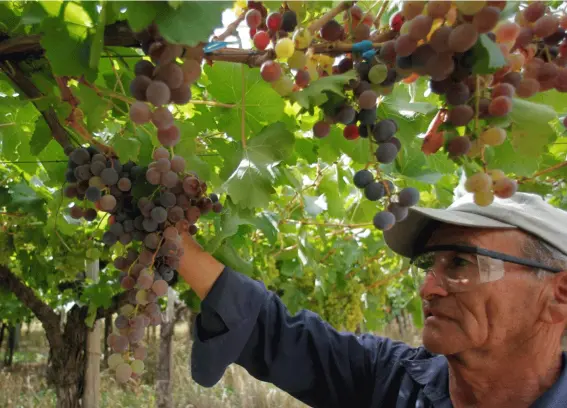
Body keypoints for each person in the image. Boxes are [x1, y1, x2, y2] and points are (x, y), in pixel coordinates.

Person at [178, 192, 567, 408]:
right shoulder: (390, 380)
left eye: (462, 261)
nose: (427, 289)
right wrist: (175, 243)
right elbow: (277, 335)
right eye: (429, 264)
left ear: (559, 296)